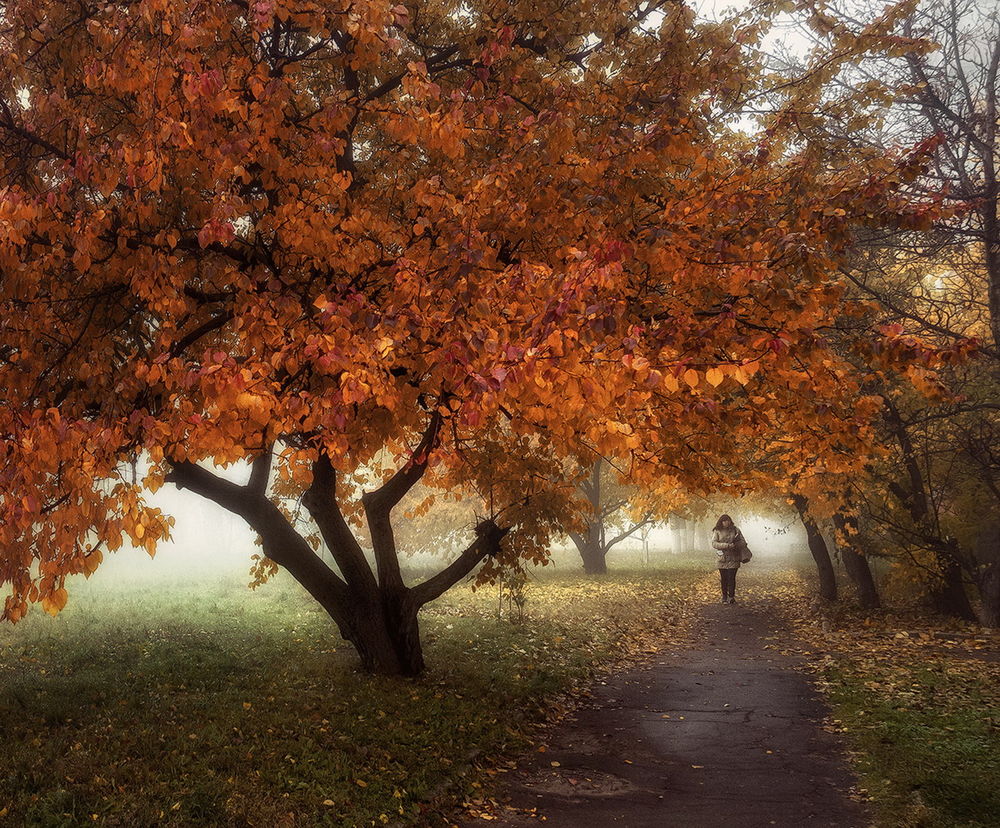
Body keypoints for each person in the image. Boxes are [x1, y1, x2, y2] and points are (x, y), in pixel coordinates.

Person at [711, 514, 748, 604]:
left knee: (732, 578)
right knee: (724, 579)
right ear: (721, 522)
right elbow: (714, 543)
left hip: (734, 558)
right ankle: (724, 597)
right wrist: (726, 545)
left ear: (730, 521)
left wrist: (735, 545)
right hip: (722, 558)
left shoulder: (736, 530)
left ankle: (731, 596)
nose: (726, 523)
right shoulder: (717, 531)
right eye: (724, 521)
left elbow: (743, 542)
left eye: (728, 521)